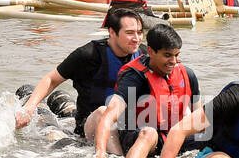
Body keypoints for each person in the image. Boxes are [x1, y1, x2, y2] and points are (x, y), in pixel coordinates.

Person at [14, 8, 146, 150]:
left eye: (139, 32)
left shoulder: (144, 55)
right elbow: (51, 79)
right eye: (130, 33)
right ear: (112, 32)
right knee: (103, 112)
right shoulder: (89, 54)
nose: (136, 38)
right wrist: (29, 107)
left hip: (125, 125)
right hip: (89, 126)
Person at [90, 24, 200, 158]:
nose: (173, 61)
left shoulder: (187, 74)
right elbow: (109, 116)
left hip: (171, 136)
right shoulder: (134, 77)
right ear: (151, 51)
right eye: (167, 55)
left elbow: (199, 118)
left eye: (176, 55)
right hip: (138, 135)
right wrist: (100, 155)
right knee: (149, 133)